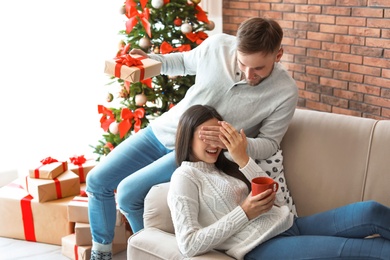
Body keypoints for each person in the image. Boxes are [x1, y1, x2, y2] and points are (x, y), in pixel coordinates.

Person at [86, 17, 298, 259]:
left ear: (278, 55)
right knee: (97, 181)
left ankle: (151, 254)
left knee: (127, 194)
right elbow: (183, 62)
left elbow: (270, 144)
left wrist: (234, 143)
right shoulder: (217, 46)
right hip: (164, 131)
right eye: (242, 64)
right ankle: (101, 254)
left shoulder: (285, 92)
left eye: (258, 68)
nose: (249, 74)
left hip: (194, 153)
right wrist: (150, 61)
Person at [168, 104, 390, 260]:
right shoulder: (184, 178)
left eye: (219, 135)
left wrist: (242, 158)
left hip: (290, 224)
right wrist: (244, 212)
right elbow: (188, 244)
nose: (214, 143)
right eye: (206, 135)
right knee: (372, 250)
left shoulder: (226, 166)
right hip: (262, 246)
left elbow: (280, 200)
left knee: (370, 211)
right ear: (187, 136)